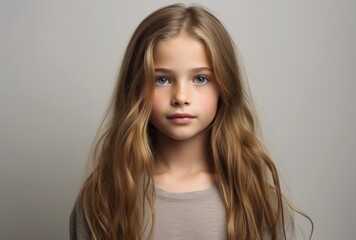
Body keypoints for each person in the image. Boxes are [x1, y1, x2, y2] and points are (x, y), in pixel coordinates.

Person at [70, 3, 312, 240]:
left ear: (225, 86)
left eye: (200, 78)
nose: (181, 97)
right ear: (136, 88)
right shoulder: (103, 199)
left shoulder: (257, 201)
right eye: (162, 80)